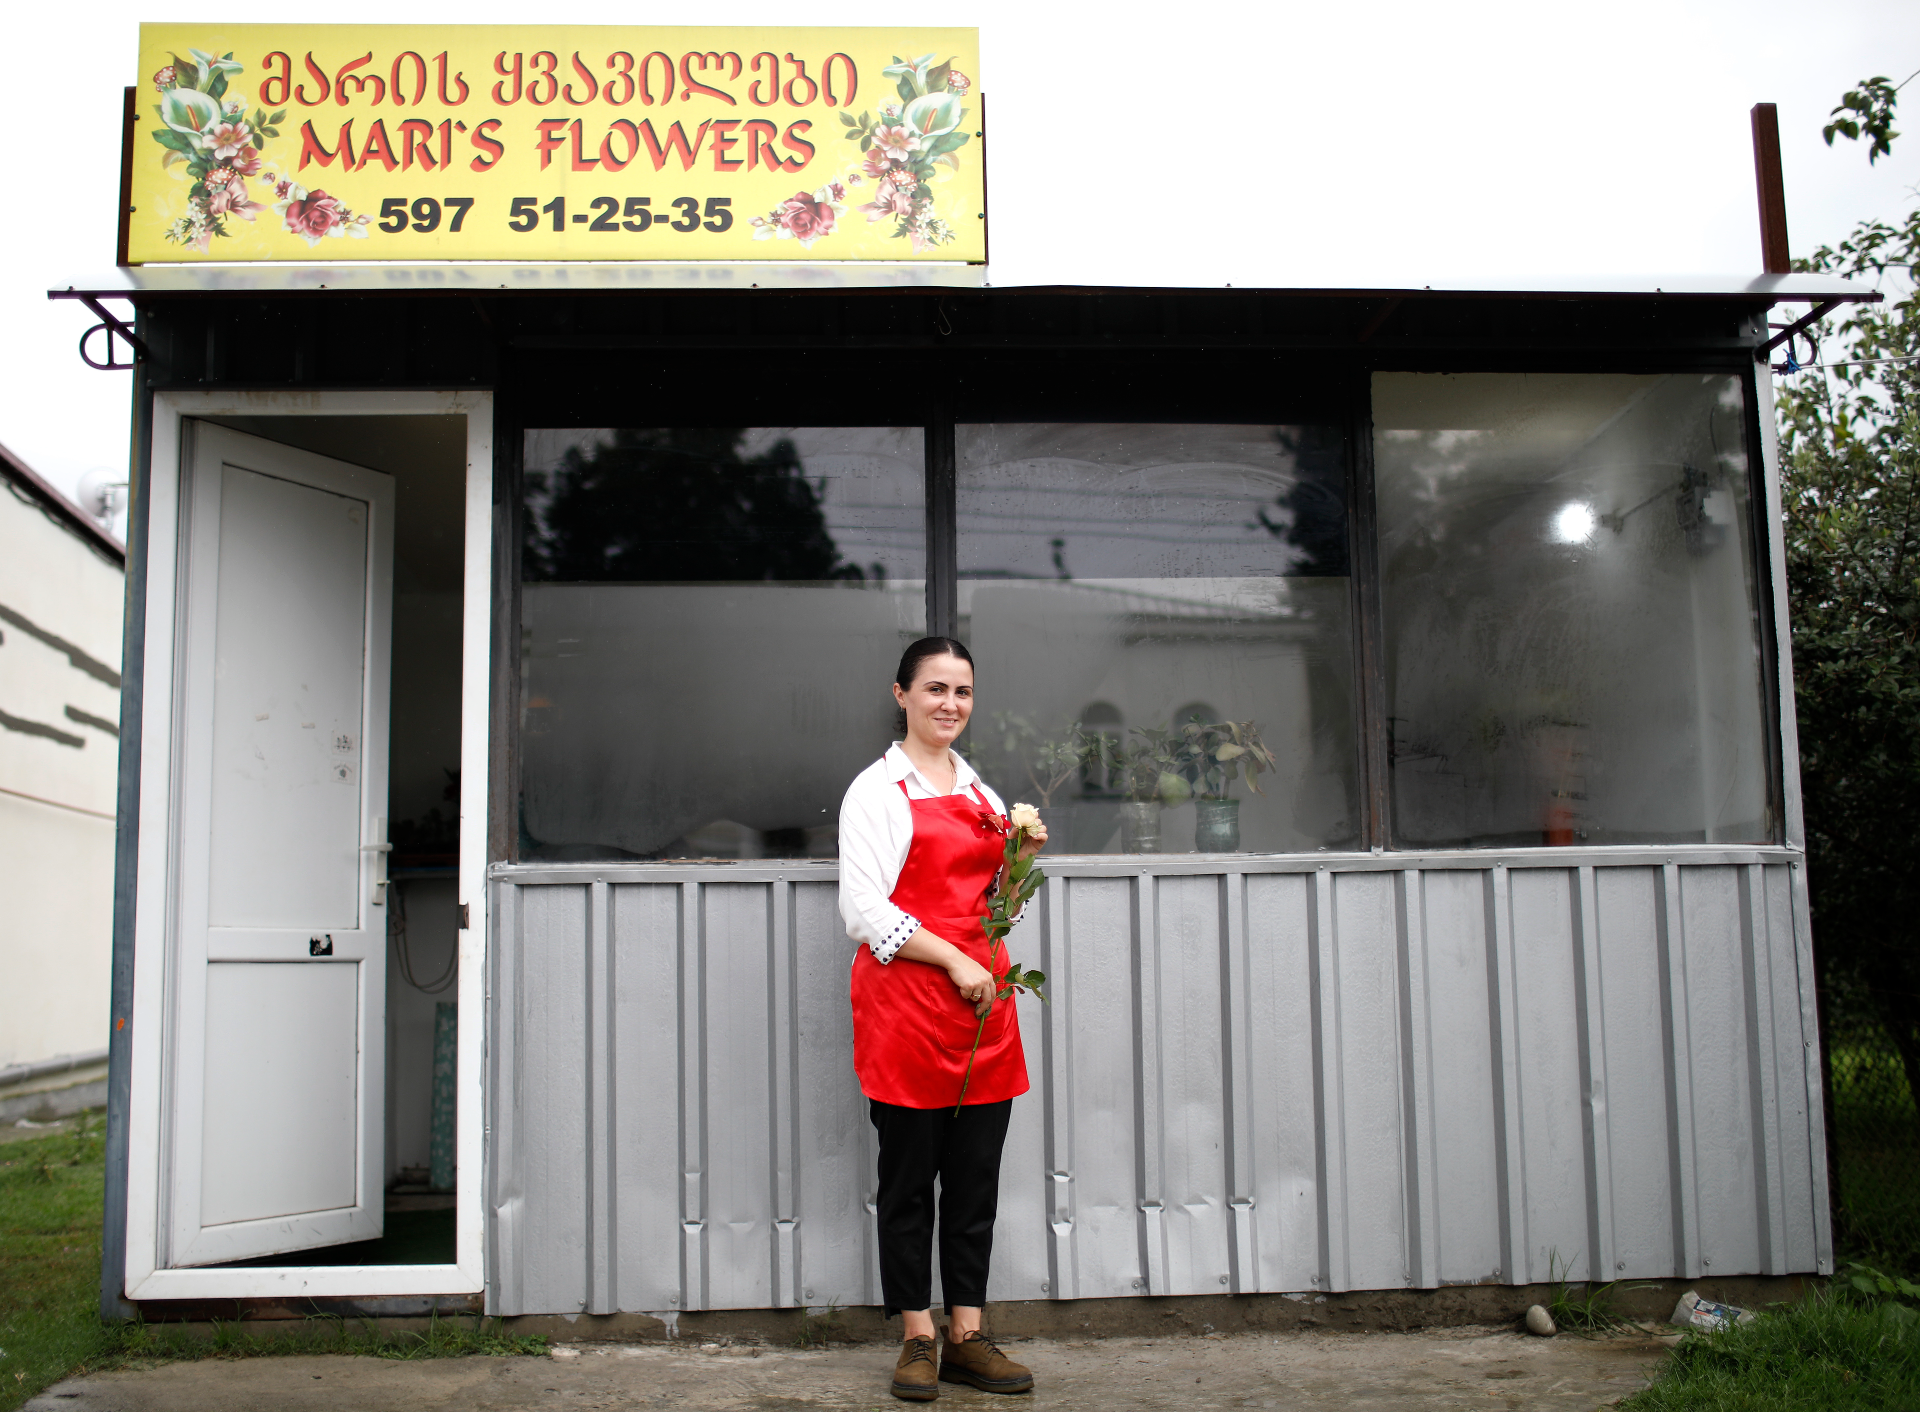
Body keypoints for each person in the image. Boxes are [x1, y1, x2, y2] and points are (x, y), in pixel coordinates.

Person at [839, 636, 1047, 1401]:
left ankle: (967, 1333)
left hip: (980, 1011)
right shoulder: (875, 792)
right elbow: (865, 911)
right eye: (933, 689)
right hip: (907, 1009)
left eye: (961, 691)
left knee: (972, 1184)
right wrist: (956, 960)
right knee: (907, 1186)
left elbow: (994, 903)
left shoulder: (983, 795)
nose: (948, 704)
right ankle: (916, 1338)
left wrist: (1020, 861)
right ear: (901, 695)